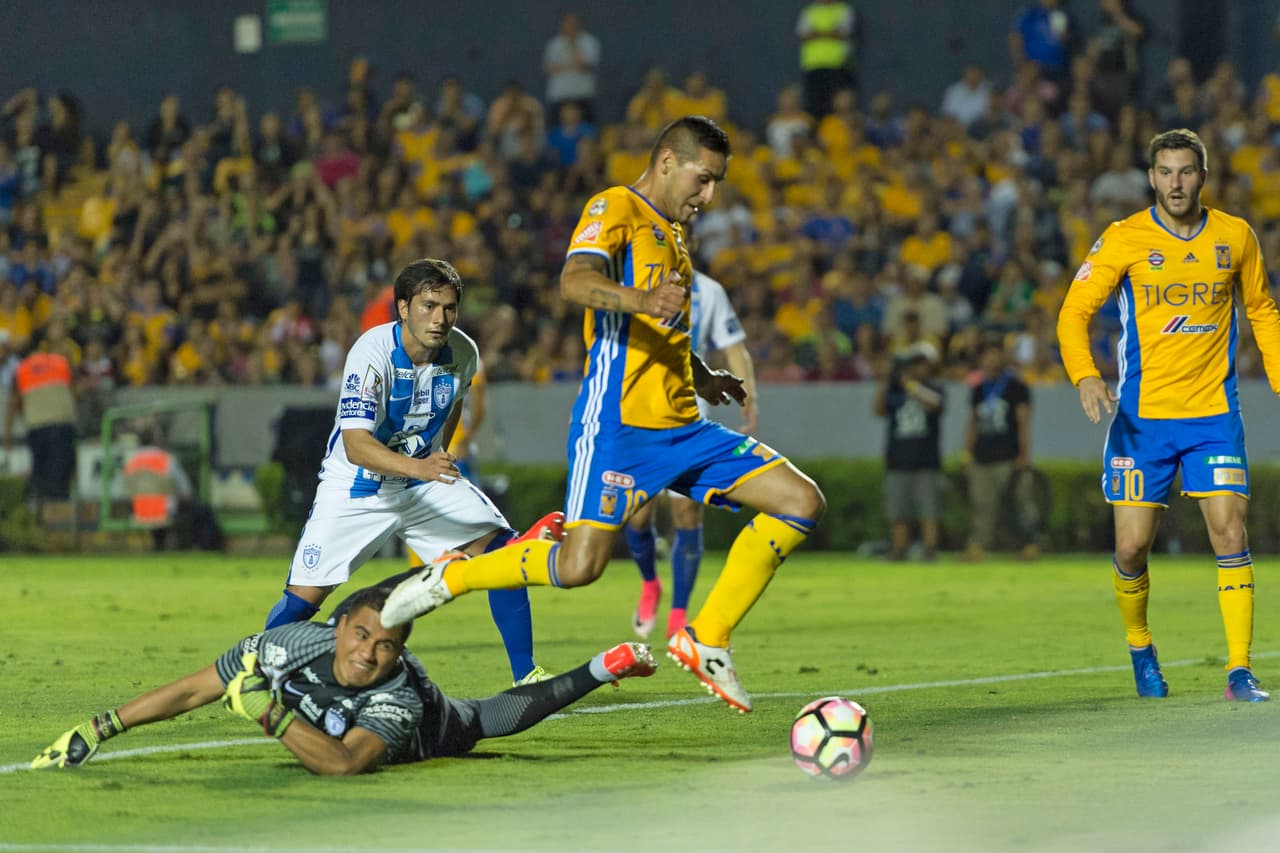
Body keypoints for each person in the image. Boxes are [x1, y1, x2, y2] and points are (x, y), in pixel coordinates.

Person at [381, 116, 826, 714]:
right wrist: (644, 299)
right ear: (667, 161)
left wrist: (700, 373)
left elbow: (653, 332)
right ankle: (449, 578)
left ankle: (707, 637)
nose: (709, 197)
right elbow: (573, 281)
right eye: (703, 179)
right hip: (618, 427)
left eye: (717, 184)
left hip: (684, 428)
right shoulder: (616, 206)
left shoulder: (673, 235)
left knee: (800, 501)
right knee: (579, 565)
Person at [1056, 128, 1280, 702]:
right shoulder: (1124, 238)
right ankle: (1141, 648)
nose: (1176, 183)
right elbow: (1074, 311)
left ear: (1202, 176)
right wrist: (1085, 374)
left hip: (1213, 417)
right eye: (1166, 173)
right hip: (1142, 422)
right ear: (1151, 178)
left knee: (1230, 531)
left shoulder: (1235, 236)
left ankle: (1238, 672)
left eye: (1186, 172)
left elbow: (1262, 309)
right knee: (1131, 548)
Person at [263, 258, 560, 688]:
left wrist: (438, 453)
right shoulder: (371, 352)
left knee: (504, 554)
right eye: (428, 306)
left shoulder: (463, 352)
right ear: (402, 307)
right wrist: (421, 465)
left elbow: (455, 402)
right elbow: (356, 445)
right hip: (358, 485)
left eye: (449, 308)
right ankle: (255, 671)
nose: (440, 318)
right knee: (303, 600)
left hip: (422, 481)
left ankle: (526, 675)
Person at [31, 585, 657, 774]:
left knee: (490, 716)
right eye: (361, 637)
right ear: (336, 630)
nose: (369, 655)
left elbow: (342, 766)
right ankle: (608, 665)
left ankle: (604, 666)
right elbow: (196, 687)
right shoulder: (285, 645)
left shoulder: (399, 696)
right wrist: (100, 726)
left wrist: (269, 716)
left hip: (443, 728)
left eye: (387, 645)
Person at [626, 264, 759, 641]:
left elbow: (733, 347)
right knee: (637, 517)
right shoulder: (638, 283)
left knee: (686, 512)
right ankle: (651, 583)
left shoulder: (709, 291)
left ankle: (679, 613)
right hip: (641, 411)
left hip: (690, 408)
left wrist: (751, 396)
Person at [962, 339, 1039, 562]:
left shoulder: (1017, 387)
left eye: (996, 354)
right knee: (982, 504)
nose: (991, 359)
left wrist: (1024, 454)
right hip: (982, 455)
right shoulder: (978, 389)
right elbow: (972, 424)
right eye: (988, 355)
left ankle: (1028, 544)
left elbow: (1024, 422)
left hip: (1009, 455)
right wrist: (967, 455)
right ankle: (979, 546)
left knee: (1019, 503)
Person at [873, 343, 945, 561]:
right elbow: (878, 410)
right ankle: (899, 549)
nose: (918, 369)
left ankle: (929, 549)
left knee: (929, 510)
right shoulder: (894, 390)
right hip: (898, 459)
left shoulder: (934, 387)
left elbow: (935, 404)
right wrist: (887, 380)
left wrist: (911, 386)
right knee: (898, 511)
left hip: (925, 460)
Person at [3, 342, 77, 524]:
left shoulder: (22, 369)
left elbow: (13, 402)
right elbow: (73, 390)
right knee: (61, 477)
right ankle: (60, 527)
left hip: (38, 428)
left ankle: (42, 525)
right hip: (63, 425)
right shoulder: (61, 362)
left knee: (41, 478)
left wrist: (7, 434)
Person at [796, 0, 858, 120]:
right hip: (813, 67)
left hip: (838, 66)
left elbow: (843, 33)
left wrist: (817, 33)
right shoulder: (809, 11)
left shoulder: (844, 10)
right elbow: (803, 35)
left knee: (838, 106)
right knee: (815, 107)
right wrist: (830, 32)